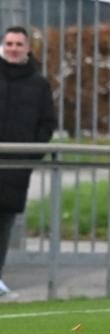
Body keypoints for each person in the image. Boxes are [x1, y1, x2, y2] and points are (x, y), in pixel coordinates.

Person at [0, 26, 56, 299]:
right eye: (9, 42)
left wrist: (28, 158)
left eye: (18, 43)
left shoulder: (38, 83)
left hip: (14, 171)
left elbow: (47, 125)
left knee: (3, 226)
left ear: (27, 48)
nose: (13, 47)